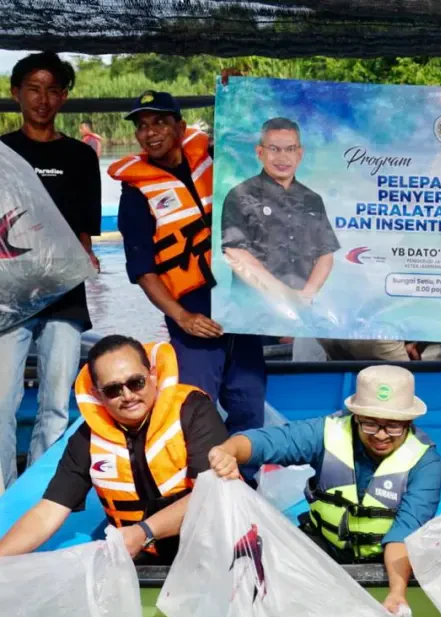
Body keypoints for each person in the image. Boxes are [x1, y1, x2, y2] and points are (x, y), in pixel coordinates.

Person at [108, 91, 266, 475]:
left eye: (159, 122)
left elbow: (257, 145)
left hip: (243, 304)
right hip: (193, 315)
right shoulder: (135, 194)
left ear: (180, 126)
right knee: (197, 408)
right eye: (142, 126)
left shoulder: (216, 158)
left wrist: (239, 98)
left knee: (249, 404)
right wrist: (182, 318)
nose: (150, 132)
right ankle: (196, 493)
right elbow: (144, 271)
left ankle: (246, 490)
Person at [206, 365, 441, 613]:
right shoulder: (326, 432)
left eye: (393, 426)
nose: (381, 435)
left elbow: (404, 532)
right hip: (321, 546)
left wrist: (396, 592)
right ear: (355, 417)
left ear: (409, 421)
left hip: (386, 560)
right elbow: (269, 442)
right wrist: (228, 451)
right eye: (370, 424)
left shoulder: (427, 463)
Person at [0, 335, 227, 563]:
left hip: (208, 549)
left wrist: (144, 532)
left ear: (153, 375)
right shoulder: (87, 439)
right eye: (113, 390)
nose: (128, 396)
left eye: (136, 382)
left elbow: (210, 496)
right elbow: (47, 513)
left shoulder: (194, 410)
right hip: (140, 557)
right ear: (98, 394)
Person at [0, 52, 101, 491]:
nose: (43, 99)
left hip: (63, 296)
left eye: (53, 90)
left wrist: (86, 260)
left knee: (56, 403)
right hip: (10, 297)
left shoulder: (80, 156)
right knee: (2, 403)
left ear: (63, 98)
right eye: (34, 88)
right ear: (15, 92)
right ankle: (4, 495)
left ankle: (41, 495)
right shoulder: (3, 153)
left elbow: (84, 235)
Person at [221, 117, 340, 303]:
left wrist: (306, 296)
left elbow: (326, 254)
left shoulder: (312, 200)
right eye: (274, 149)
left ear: (299, 154)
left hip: (301, 309)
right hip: (251, 312)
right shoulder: (240, 195)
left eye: (290, 149)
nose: (282, 157)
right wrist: (283, 294)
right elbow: (235, 252)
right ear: (260, 152)